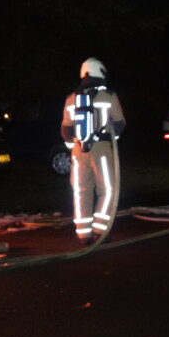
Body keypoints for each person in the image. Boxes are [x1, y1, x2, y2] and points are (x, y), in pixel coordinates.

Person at [60, 58, 125, 245]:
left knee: (81, 191)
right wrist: (109, 142)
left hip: (78, 151)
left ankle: (83, 234)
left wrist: (75, 147)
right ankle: (100, 230)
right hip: (102, 149)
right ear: (100, 72)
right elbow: (120, 123)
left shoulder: (71, 97)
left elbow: (65, 129)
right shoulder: (109, 95)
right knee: (109, 189)